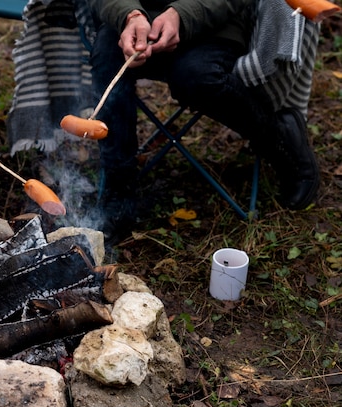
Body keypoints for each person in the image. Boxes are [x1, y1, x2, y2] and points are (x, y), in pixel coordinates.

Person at [86, 0, 320, 241]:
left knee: (197, 78)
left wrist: (182, 14)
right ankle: (118, 185)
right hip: (128, 26)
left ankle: (280, 139)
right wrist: (129, 15)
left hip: (212, 25)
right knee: (107, 62)